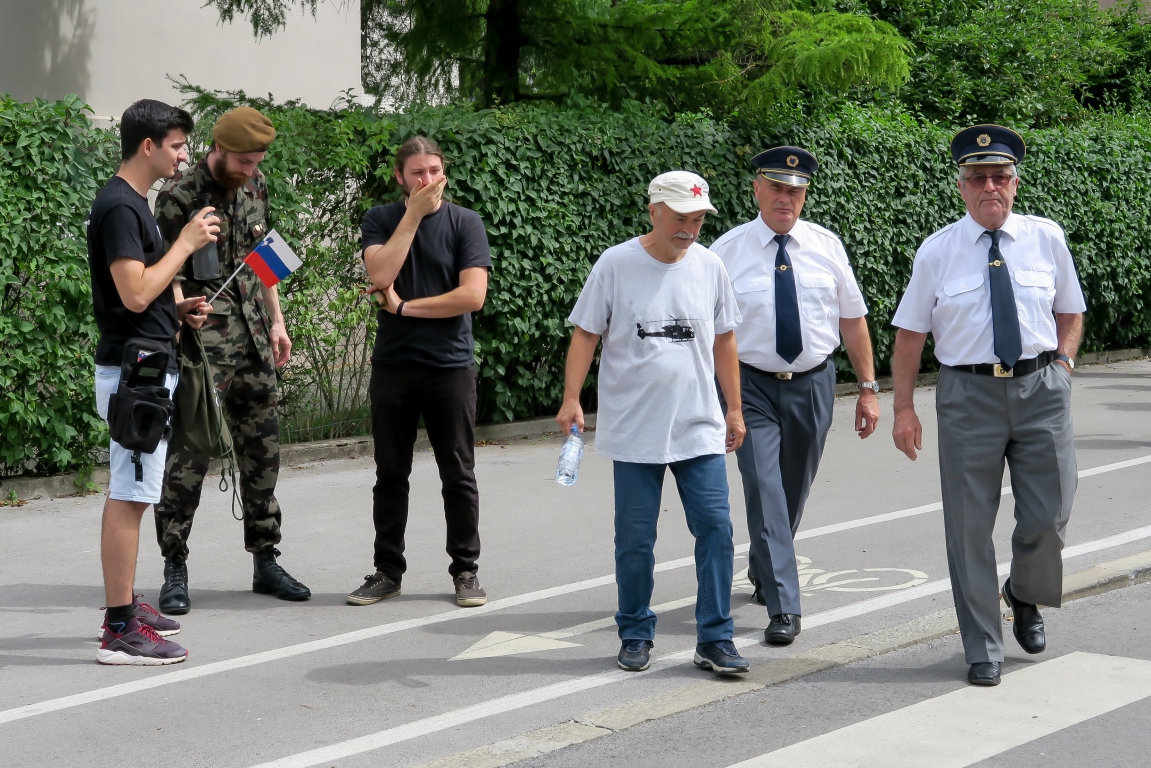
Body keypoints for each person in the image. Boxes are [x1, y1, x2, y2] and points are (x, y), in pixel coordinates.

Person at [890, 125, 1085, 686]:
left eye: (1000, 176)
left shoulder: (1046, 238)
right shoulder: (937, 250)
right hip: (967, 396)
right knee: (969, 527)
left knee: (1051, 512)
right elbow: (910, 335)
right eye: (978, 178)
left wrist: (1064, 365)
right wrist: (903, 409)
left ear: (1015, 183)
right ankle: (982, 645)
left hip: (1041, 389)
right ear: (962, 187)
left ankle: (1023, 592)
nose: (990, 187)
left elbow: (1070, 311)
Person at [557, 171, 750, 675]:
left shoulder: (710, 266)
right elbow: (585, 333)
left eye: (698, 219)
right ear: (654, 211)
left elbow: (724, 339)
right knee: (635, 539)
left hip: (698, 424)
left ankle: (715, 638)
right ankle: (635, 631)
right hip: (634, 428)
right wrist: (572, 398)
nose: (690, 228)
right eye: (681, 218)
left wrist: (733, 407)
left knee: (717, 528)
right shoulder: (616, 264)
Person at [710, 147, 880, 646]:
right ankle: (785, 606)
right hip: (750, 386)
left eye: (795, 190)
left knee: (791, 491)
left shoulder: (827, 246)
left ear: (805, 195)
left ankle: (764, 563)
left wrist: (868, 389)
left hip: (813, 383)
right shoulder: (726, 251)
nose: (785, 198)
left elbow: (852, 320)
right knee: (765, 486)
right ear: (757, 189)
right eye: (776, 188)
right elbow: (710, 331)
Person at [152, 106, 310, 613]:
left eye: (257, 162)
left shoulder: (256, 185)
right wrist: (180, 311)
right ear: (218, 148)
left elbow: (264, 258)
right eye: (244, 161)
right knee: (191, 451)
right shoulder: (178, 195)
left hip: (255, 337)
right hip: (204, 343)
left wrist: (278, 321)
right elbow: (167, 267)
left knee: (263, 450)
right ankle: (175, 565)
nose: (250, 170)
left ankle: (266, 559)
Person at [88, 99, 219, 663]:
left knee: (134, 493)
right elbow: (135, 292)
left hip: (143, 364)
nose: (184, 156)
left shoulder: (132, 203)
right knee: (130, 495)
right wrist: (186, 243)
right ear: (148, 146)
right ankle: (119, 629)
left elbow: (145, 291)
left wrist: (177, 308)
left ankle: (125, 605)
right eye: (177, 145)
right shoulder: (121, 205)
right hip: (135, 372)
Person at [350, 136, 492, 608]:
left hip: (450, 367)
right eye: (417, 172)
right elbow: (380, 275)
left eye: (434, 170)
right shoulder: (381, 219)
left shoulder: (465, 222)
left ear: (443, 171)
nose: (427, 180)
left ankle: (466, 570)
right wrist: (411, 215)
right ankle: (387, 571)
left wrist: (405, 308)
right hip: (394, 366)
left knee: (458, 473)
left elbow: (472, 296)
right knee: (390, 474)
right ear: (400, 177)